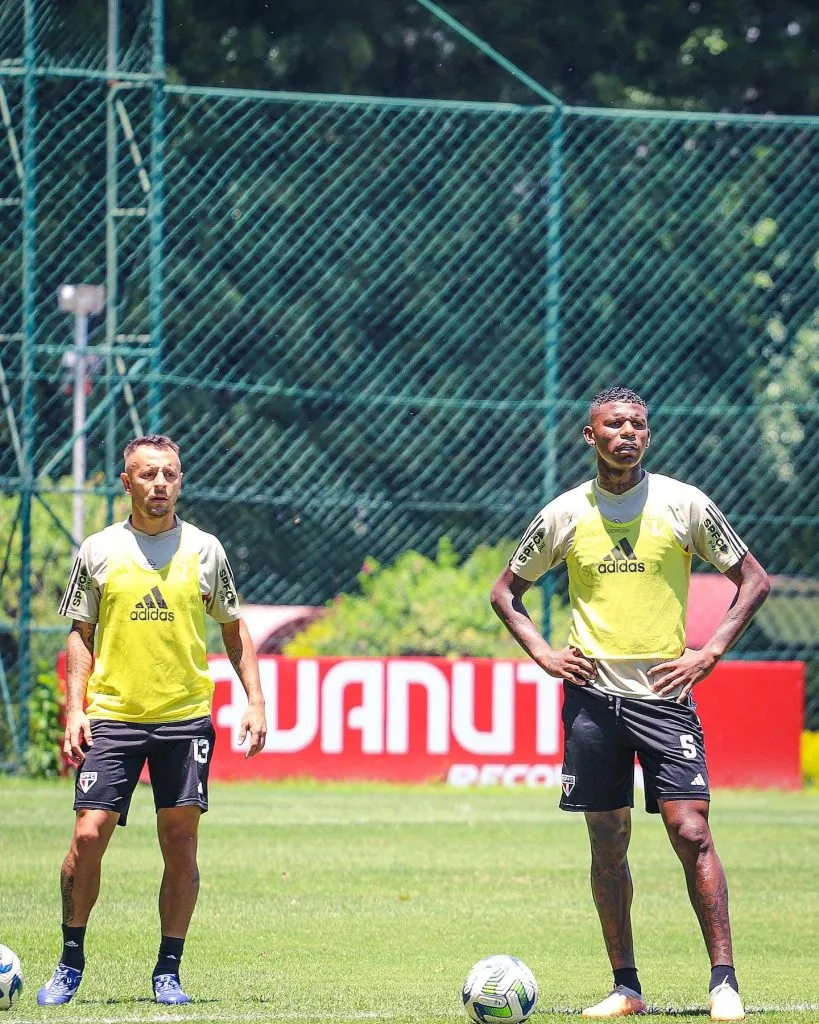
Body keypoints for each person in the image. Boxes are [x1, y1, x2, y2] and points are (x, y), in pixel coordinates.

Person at [491, 387, 769, 1022]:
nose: (628, 433)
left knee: (690, 831)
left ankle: (724, 983)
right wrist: (545, 654)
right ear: (590, 437)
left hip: (665, 699)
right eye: (614, 424)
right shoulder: (565, 513)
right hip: (592, 701)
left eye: (638, 424)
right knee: (607, 843)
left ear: (648, 434)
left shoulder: (683, 503)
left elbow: (753, 581)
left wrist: (709, 653)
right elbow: (505, 592)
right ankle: (626, 987)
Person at [38, 434, 268, 1007]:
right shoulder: (98, 549)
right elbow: (81, 634)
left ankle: (168, 971)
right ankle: (70, 961)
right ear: (127, 482)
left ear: (180, 480)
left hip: (184, 719)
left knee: (181, 844)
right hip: (112, 716)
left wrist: (256, 700)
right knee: (88, 835)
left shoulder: (206, 550)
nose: (159, 483)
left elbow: (233, 627)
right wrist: (76, 708)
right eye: (147, 474)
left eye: (169, 474)